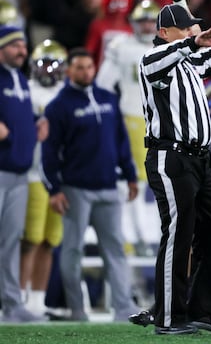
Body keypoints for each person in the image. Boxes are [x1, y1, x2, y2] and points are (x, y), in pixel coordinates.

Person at [139, 3, 211, 335]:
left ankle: (202, 309)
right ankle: (168, 317)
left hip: (201, 161)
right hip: (171, 157)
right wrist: (191, 44)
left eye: (193, 26)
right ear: (164, 33)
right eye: (186, 27)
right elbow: (164, 59)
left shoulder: (187, 61)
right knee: (179, 234)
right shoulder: (152, 61)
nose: (193, 30)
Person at [41, 47, 140, 322]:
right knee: (72, 249)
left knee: (115, 249)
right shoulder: (58, 106)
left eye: (89, 67)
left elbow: (121, 141)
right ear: (69, 71)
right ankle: (77, 310)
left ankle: (123, 309)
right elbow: (49, 152)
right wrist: (54, 189)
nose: (86, 72)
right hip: (75, 189)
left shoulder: (108, 98)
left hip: (109, 185)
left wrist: (130, 175)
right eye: (80, 68)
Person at [96, 0, 161, 256]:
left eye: (150, 20)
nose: (146, 25)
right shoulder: (121, 47)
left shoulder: (169, 46)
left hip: (162, 121)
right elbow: (103, 86)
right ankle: (135, 236)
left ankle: (153, 235)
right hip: (132, 118)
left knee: (158, 182)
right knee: (133, 181)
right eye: (141, 20)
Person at [0, 25, 45, 323]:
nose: (22, 51)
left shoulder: (20, 78)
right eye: (16, 46)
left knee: (11, 239)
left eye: (24, 46)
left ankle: (12, 303)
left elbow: (20, 114)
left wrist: (36, 122)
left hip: (20, 171)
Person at [20, 39, 67, 315]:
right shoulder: (26, 90)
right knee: (30, 239)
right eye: (42, 63)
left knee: (50, 240)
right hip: (33, 172)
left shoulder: (66, 94)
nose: (48, 69)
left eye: (52, 64)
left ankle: (37, 302)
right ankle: (20, 297)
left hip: (60, 175)